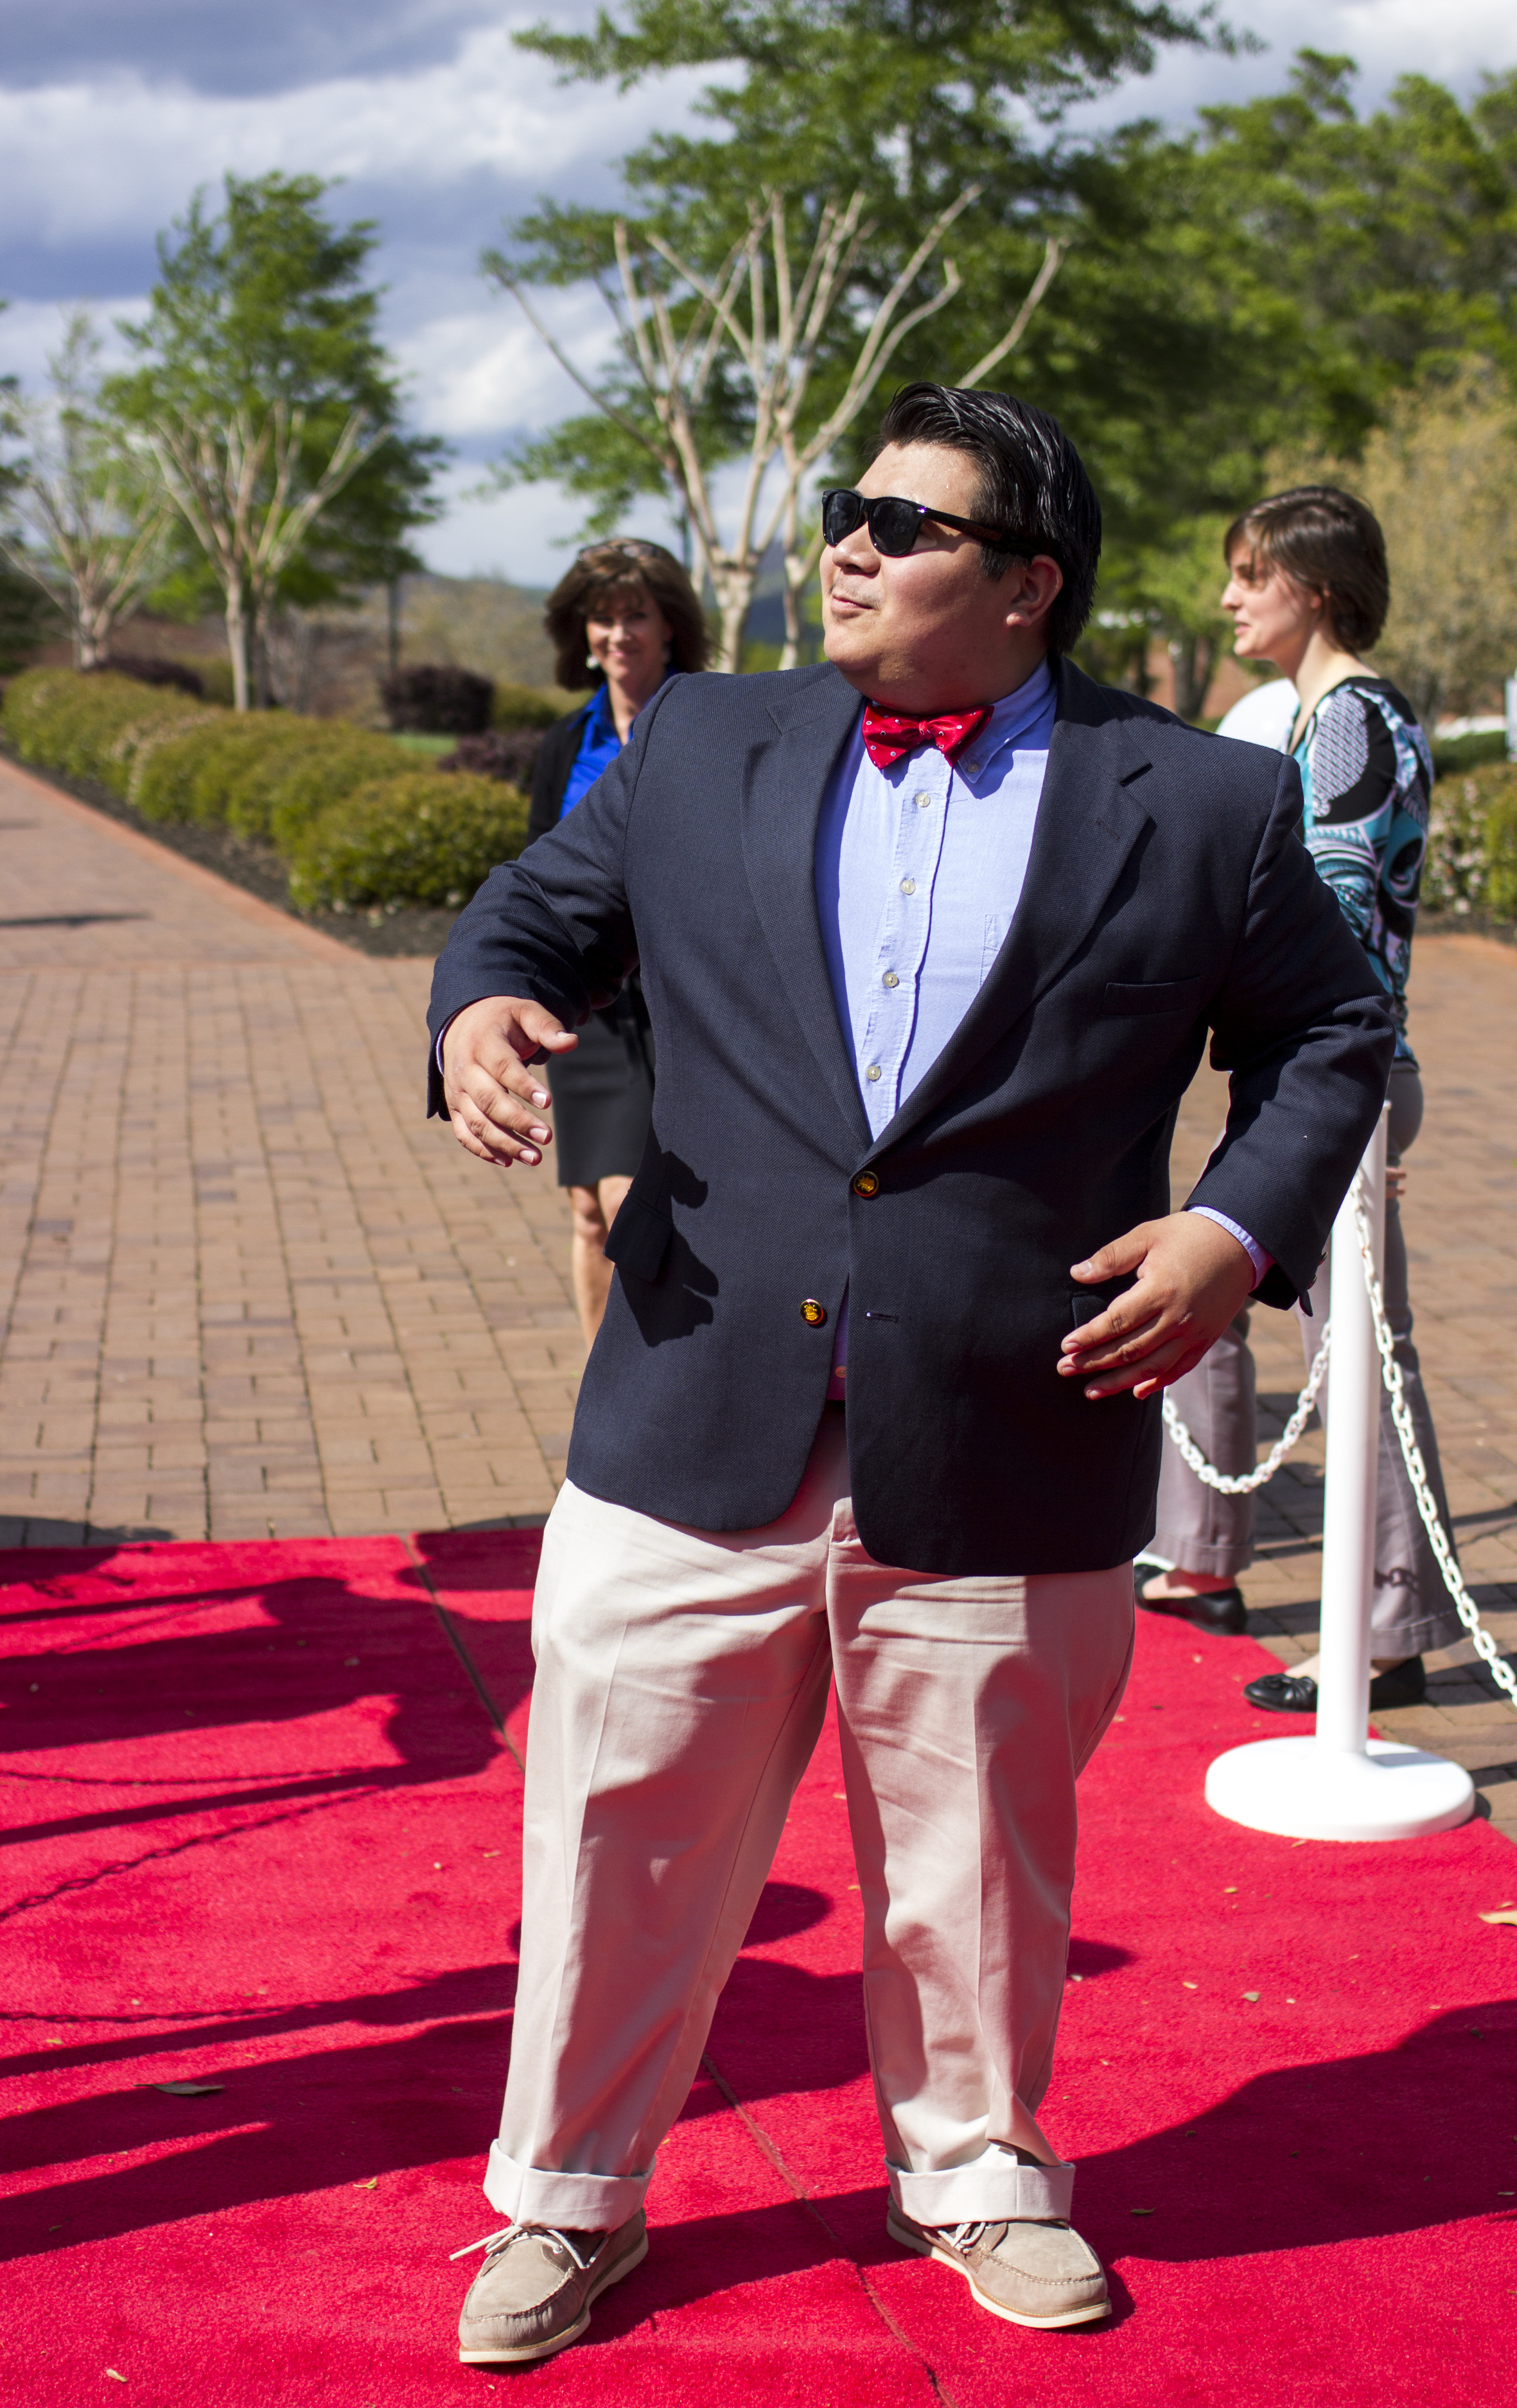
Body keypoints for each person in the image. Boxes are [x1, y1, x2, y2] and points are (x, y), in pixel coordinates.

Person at [429, 388, 1393, 2365]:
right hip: (689, 1407)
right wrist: (482, 1008)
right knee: (617, 1834)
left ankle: (973, 2169)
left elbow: (1326, 1033)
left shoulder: (1196, 799)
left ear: (1028, 585)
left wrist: (1229, 1235)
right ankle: (568, 2193)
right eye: (841, 511)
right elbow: (537, 910)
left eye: (902, 522)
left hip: (1013, 1421)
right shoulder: (702, 736)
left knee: (971, 1859)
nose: (844, 544)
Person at [1141, 485, 1460, 1713]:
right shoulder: (1329, 715)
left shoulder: (1350, 723)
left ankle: (1387, 1634)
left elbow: (1326, 926)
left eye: (1249, 574)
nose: (1228, 597)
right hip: (1308, 1074)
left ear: (1311, 587)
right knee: (1207, 1292)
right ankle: (1200, 1559)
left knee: (1362, 1352)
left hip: (1340, 1081)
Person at [527, 539, 710, 1349]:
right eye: (603, 617)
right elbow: (534, 874)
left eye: (635, 613)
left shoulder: (713, 725)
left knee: (640, 1195)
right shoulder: (565, 745)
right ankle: (599, 1385)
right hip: (591, 998)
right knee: (589, 1206)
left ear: (670, 624)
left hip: (685, 994)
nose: (618, 633)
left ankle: (659, 1376)